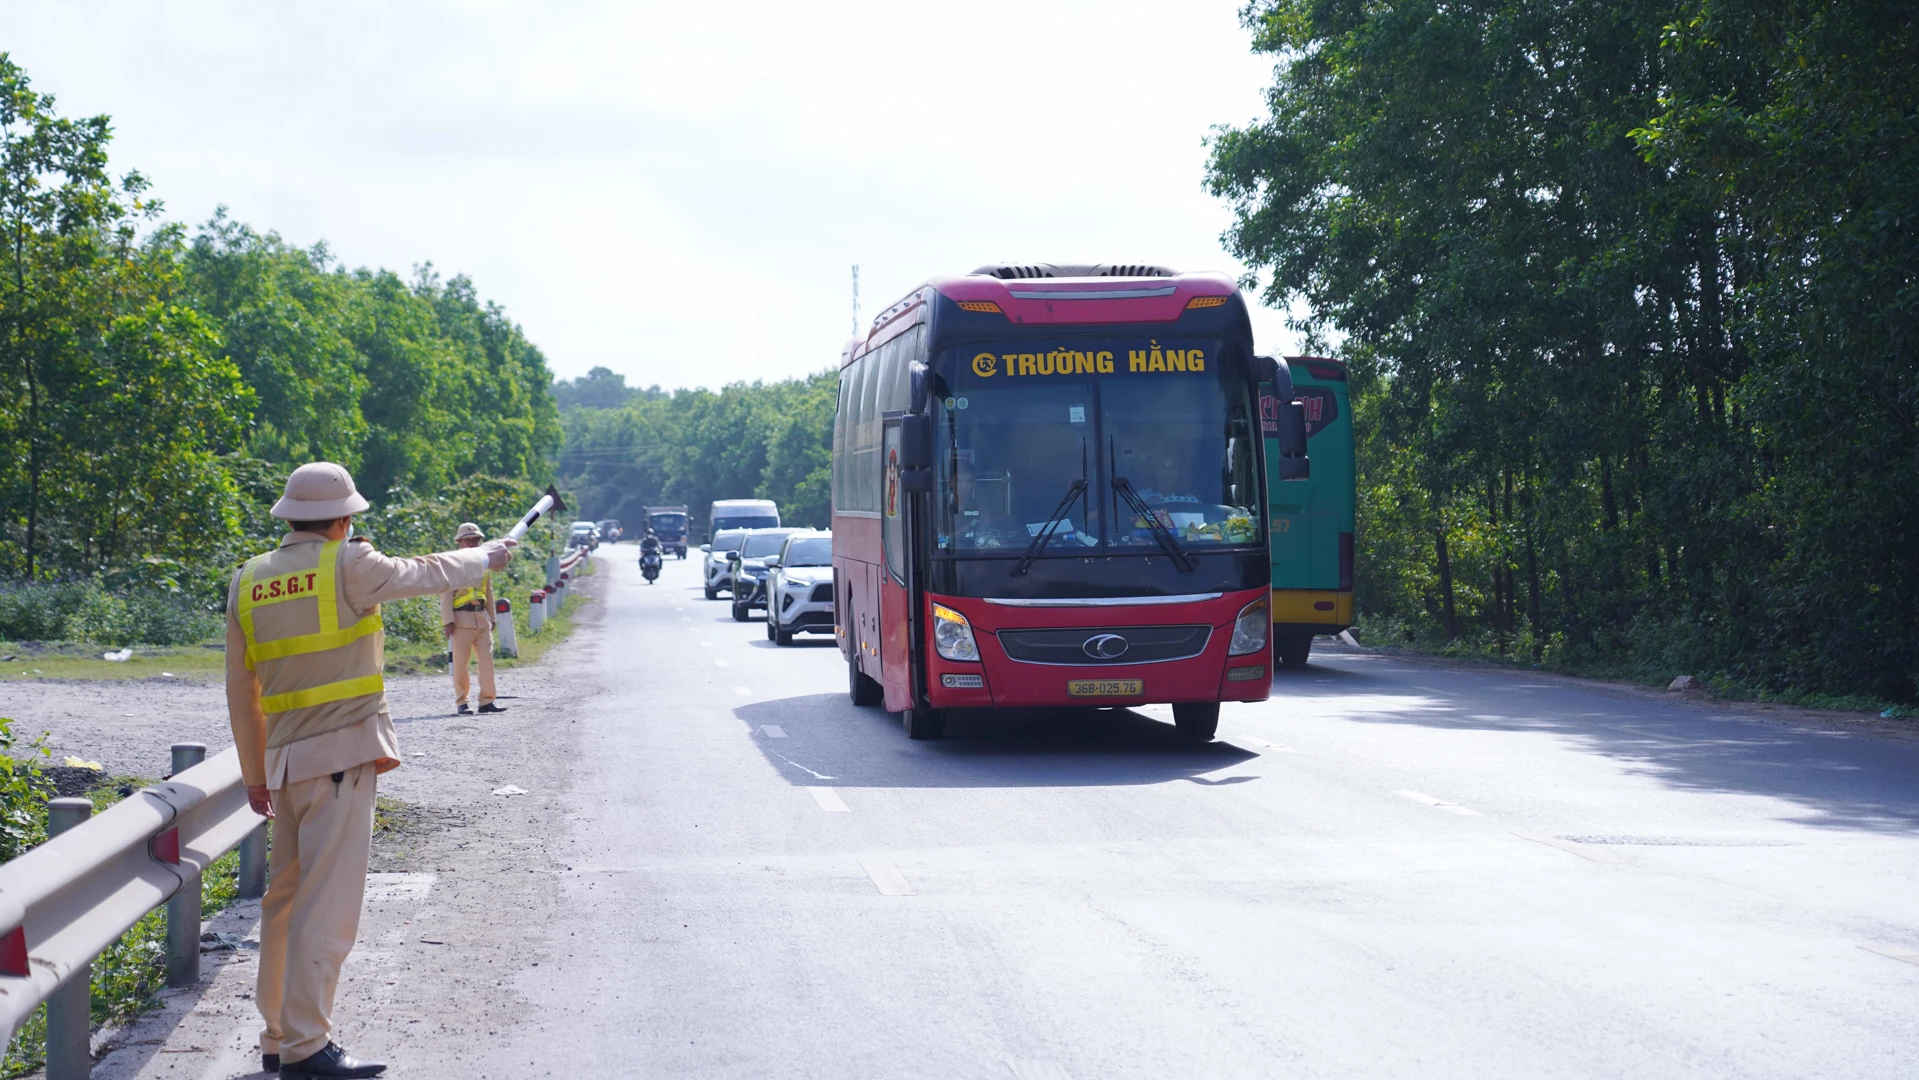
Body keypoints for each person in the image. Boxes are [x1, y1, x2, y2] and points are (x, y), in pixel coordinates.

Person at [225, 462, 513, 1079]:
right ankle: (307, 1045)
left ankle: (278, 1034)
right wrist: (485, 557)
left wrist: (255, 773)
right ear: (342, 518)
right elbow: (427, 571)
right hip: (339, 760)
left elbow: (241, 691)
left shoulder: (248, 578)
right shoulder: (348, 563)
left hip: (284, 765)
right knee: (325, 908)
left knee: (285, 901)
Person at [440, 522, 503, 715]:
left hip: (481, 618)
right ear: (459, 542)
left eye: (476, 539)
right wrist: (448, 622)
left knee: (487, 662)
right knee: (461, 664)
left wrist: (492, 618)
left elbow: (488, 592)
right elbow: (445, 594)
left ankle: (486, 701)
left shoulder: (483, 564)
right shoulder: (452, 564)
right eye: (468, 540)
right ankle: (462, 702)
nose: (473, 543)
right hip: (461, 620)